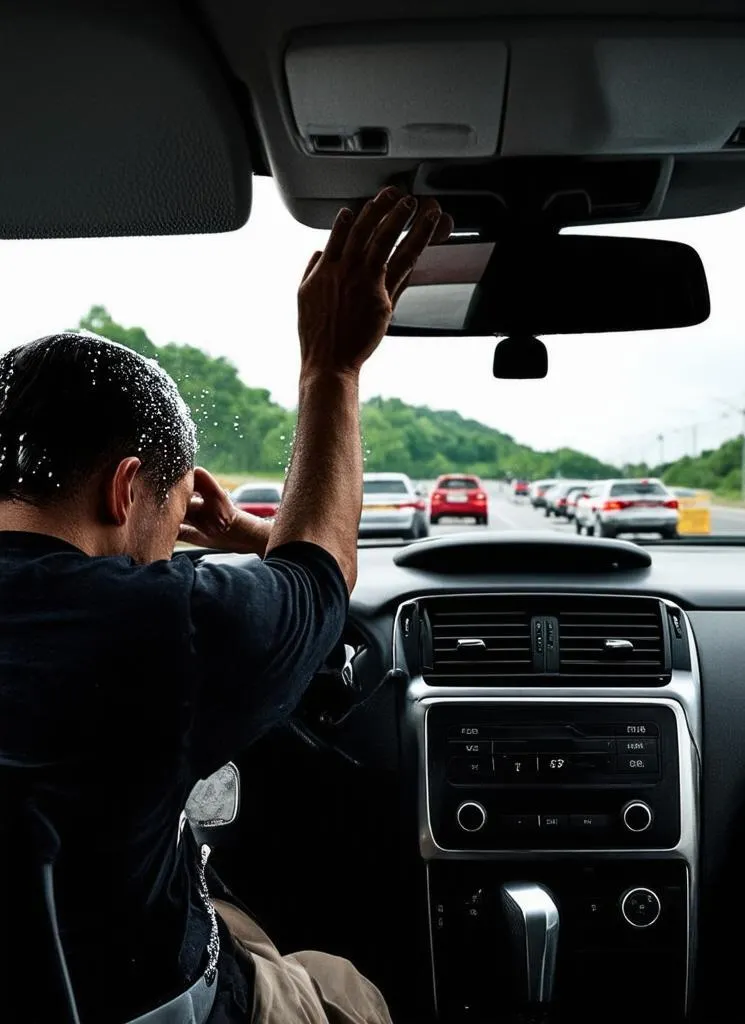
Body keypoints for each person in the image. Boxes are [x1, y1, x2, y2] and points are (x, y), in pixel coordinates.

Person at [0, 188, 451, 1024]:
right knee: (346, 986)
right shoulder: (162, 625)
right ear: (126, 487)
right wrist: (333, 366)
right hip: (151, 1000)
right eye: (171, 524)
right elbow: (321, 573)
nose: (171, 556)